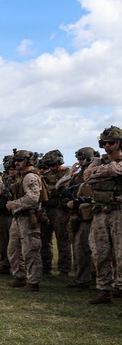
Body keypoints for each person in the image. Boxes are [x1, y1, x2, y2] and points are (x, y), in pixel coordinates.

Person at [84, 126, 122, 304]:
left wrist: (99, 172)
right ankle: (104, 290)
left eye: (111, 143)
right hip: (100, 212)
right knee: (99, 252)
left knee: (120, 254)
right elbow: (87, 178)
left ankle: (120, 288)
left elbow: (115, 170)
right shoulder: (98, 161)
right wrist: (105, 171)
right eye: (104, 143)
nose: (107, 146)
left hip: (118, 211)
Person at [60, 147, 98, 290]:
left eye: (83, 160)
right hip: (80, 217)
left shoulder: (98, 174)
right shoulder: (76, 177)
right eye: (79, 160)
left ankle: (97, 279)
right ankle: (82, 279)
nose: (80, 162)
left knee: (98, 251)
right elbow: (60, 186)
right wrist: (70, 173)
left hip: (95, 216)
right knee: (80, 249)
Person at [5, 149, 44, 291]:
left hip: (29, 217)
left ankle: (33, 281)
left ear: (28, 161)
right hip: (19, 217)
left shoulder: (30, 177)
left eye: (20, 160)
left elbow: (33, 198)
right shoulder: (21, 176)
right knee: (13, 249)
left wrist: (14, 204)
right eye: (15, 160)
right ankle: (19, 276)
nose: (16, 163)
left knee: (30, 250)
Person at [38, 150, 72, 277]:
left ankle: (64, 269)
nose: (51, 168)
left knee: (63, 240)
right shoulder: (45, 176)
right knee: (44, 239)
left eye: (53, 165)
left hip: (60, 210)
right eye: (49, 165)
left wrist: (68, 213)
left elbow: (70, 193)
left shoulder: (68, 174)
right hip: (46, 209)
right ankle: (46, 267)